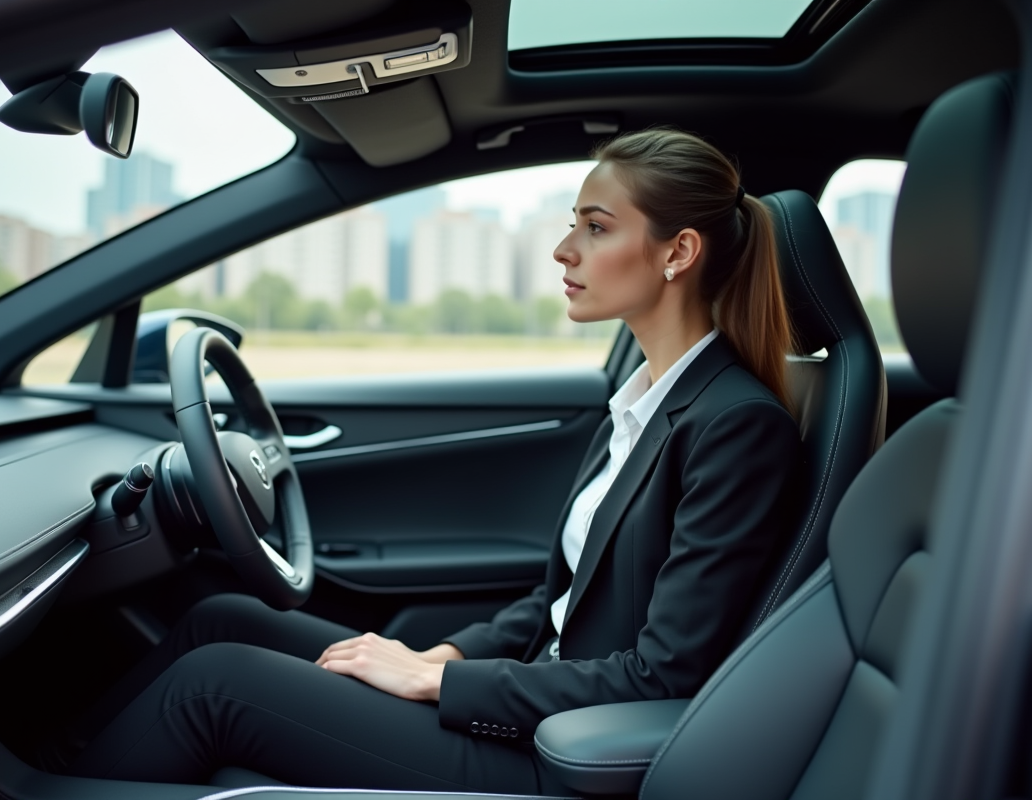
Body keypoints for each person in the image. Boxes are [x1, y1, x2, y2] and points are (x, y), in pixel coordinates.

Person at [68, 129, 802, 795]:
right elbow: (559, 603)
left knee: (212, 687)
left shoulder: (735, 426)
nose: (564, 250)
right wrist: (445, 652)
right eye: (572, 223)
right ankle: (71, 766)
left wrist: (437, 684)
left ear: (678, 253)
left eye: (596, 227)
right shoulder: (640, 401)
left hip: (561, 747)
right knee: (221, 619)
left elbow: (663, 675)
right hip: (539, 694)